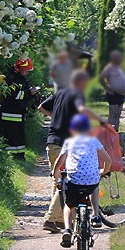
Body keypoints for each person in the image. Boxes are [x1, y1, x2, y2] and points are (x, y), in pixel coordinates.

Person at [38, 70, 101, 233]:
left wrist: (55, 117)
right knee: (68, 182)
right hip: (65, 145)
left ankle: (58, 220)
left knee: (58, 181)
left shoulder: (60, 93)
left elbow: (41, 107)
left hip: (51, 142)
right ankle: (51, 218)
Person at [51, 114, 112, 248]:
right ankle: (96, 215)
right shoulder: (94, 140)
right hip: (91, 179)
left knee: (68, 205)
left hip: (74, 180)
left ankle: (67, 229)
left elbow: (59, 161)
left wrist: (56, 175)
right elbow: (108, 160)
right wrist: (103, 171)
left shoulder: (69, 141)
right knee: (94, 186)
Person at [0, 58, 40, 160]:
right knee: (11, 136)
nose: (26, 72)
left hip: (19, 114)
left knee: (20, 137)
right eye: (25, 70)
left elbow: (24, 96)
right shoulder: (11, 79)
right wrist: (29, 93)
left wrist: (33, 94)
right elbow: (15, 95)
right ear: (18, 68)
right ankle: (10, 158)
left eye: (28, 70)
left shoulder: (22, 79)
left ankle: (20, 156)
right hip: (10, 114)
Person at [99, 50, 125, 131]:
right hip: (113, 93)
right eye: (118, 58)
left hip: (121, 94)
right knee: (113, 113)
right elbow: (101, 78)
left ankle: (116, 131)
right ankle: (110, 132)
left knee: (118, 114)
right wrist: (107, 88)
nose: (120, 59)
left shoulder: (118, 68)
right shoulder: (109, 67)